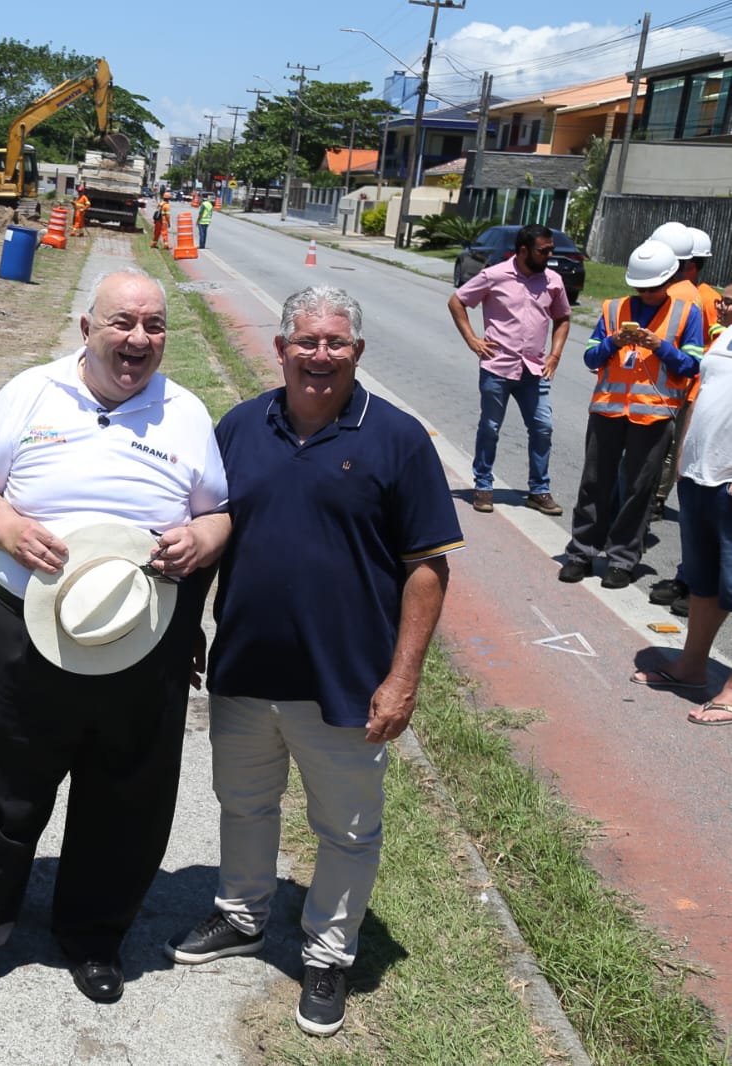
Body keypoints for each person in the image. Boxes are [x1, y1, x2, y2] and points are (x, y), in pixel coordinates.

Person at [0, 268, 230, 1007]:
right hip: (26, 629)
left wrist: (199, 539)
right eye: (122, 323)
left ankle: (92, 935)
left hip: (135, 635)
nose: (138, 340)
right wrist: (10, 529)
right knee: (9, 796)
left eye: (153, 327)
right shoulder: (31, 392)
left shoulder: (184, 413)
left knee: (123, 796)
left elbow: (220, 513)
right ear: (87, 329)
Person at [166, 286, 461, 1038]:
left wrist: (402, 679)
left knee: (347, 832)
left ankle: (327, 954)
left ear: (356, 353)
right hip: (245, 668)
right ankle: (241, 916)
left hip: (347, 683)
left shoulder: (397, 439)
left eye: (335, 343)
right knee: (243, 803)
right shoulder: (239, 427)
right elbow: (208, 529)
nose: (319, 355)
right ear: (281, 348)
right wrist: (190, 624)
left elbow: (426, 567)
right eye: (306, 341)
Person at [558, 239, 704, 589]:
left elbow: (692, 365)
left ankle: (622, 559)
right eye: (640, 287)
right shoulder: (613, 309)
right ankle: (580, 552)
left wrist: (662, 348)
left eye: (653, 288)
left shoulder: (687, 313)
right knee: (594, 484)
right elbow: (591, 357)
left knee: (639, 491)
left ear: (669, 281)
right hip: (607, 410)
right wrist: (613, 343)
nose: (646, 293)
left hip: (654, 416)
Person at [630, 316, 732, 723]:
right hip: (699, 476)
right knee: (703, 582)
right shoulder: (724, 336)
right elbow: (704, 393)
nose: (724, 302)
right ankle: (691, 666)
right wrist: (683, 459)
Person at [447, 223, 570, 516]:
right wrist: (472, 340)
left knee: (542, 427)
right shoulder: (494, 275)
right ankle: (483, 485)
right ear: (524, 250)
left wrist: (555, 354)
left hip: (534, 369)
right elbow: (457, 301)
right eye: (544, 250)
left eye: (551, 249)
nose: (549, 255)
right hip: (498, 367)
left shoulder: (552, 281)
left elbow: (563, 317)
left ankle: (539, 491)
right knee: (490, 427)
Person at [648, 224, 721, 607]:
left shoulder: (696, 298)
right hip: (699, 411)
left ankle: (706, 591)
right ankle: (690, 576)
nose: (724, 305)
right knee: (698, 507)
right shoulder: (721, 329)